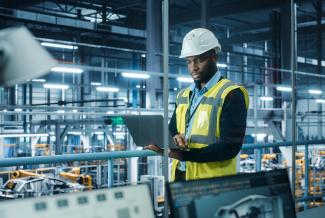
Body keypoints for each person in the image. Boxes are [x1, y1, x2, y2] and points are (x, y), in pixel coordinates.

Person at [145, 28, 249, 181]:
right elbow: (172, 129)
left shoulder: (231, 94)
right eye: (189, 61)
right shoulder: (183, 95)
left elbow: (229, 147)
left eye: (199, 60)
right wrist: (175, 138)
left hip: (213, 183)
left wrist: (182, 155)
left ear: (214, 57)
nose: (193, 67)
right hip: (182, 176)